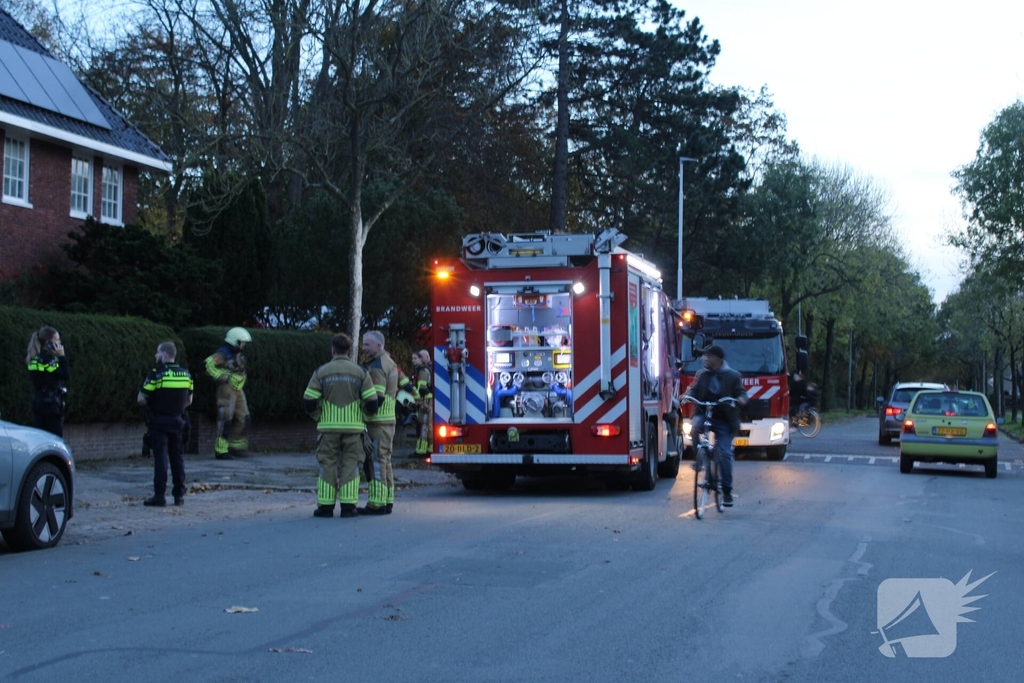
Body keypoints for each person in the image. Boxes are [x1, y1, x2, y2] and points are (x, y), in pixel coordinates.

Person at [303, 333, 378, 518]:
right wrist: (363, 417)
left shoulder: (321, 372)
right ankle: (348, 507)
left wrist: (318, 416)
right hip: (354, 430)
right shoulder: (361, 372)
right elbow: (372, 403)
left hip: (328, 429)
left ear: (333, 350)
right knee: (351, 465)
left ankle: (325, 507)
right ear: (350, 350)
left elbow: (309, 401)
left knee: (327, 465)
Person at [685, 344, 748, 507]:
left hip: (724, 419)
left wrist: (741, 399)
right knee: (694, 427)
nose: (705, 359)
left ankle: (727, 491)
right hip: (705, 413)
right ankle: (700, 456)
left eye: (708, 356)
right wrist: (686, 396)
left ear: (717, 359)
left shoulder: (733, 376)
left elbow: (741, 392)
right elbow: (694, 389)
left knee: (725, 454)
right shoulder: (701, 374)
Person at [360, 330, 415, 515]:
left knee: (375, 462)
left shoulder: (377, 366)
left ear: (379, 345)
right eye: (363, 344)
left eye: (367, 344)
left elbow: (377, 398)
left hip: (377, 422)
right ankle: (387, 500)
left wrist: (362, 412)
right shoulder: (389, 362)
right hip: (387, 421)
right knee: (385, 461)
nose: (363, 348)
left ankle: (376, 503)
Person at [137, 342, 194, 507]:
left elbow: (141, 399)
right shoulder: (186, 375)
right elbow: (189, 401)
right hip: (178, 421)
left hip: (159, 422)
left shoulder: (157, 375)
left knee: (161, 459)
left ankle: (159, 496)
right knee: (177, 459)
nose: (156, 356)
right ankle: (179, 496)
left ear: (164, 354)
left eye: (157, 352)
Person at [205, 327, 252, 459]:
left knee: (244, 418)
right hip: (226, 389)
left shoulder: (238, 354)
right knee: (225, 419)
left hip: (238, 389)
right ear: (235, 342)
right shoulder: (222, 354)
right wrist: (220, 375)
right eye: (243, 342)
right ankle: (221, 450)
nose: (244, 345)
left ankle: (236, 447)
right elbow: (208, 365)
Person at [26, 326, 70, 437]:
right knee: (56, 438)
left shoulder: (34, 359)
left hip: (38, 402)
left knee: (39, 436)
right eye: (57, 340)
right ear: (48, 342)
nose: (59, 343)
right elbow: (66, 375)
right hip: (50, 405)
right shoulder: (50, 360)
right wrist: (62, 357)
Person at [412, 349, 433, 456]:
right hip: (425, 401)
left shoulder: (423, 371)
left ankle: (421, 450)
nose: (413, 361)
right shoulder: (420, 370)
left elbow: (422, 389)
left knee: (424, 425)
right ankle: (429, 448)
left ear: (421, 359)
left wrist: (418, 400)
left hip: (426, 401)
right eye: (412, 358)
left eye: (415, 358)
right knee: (425, 425)